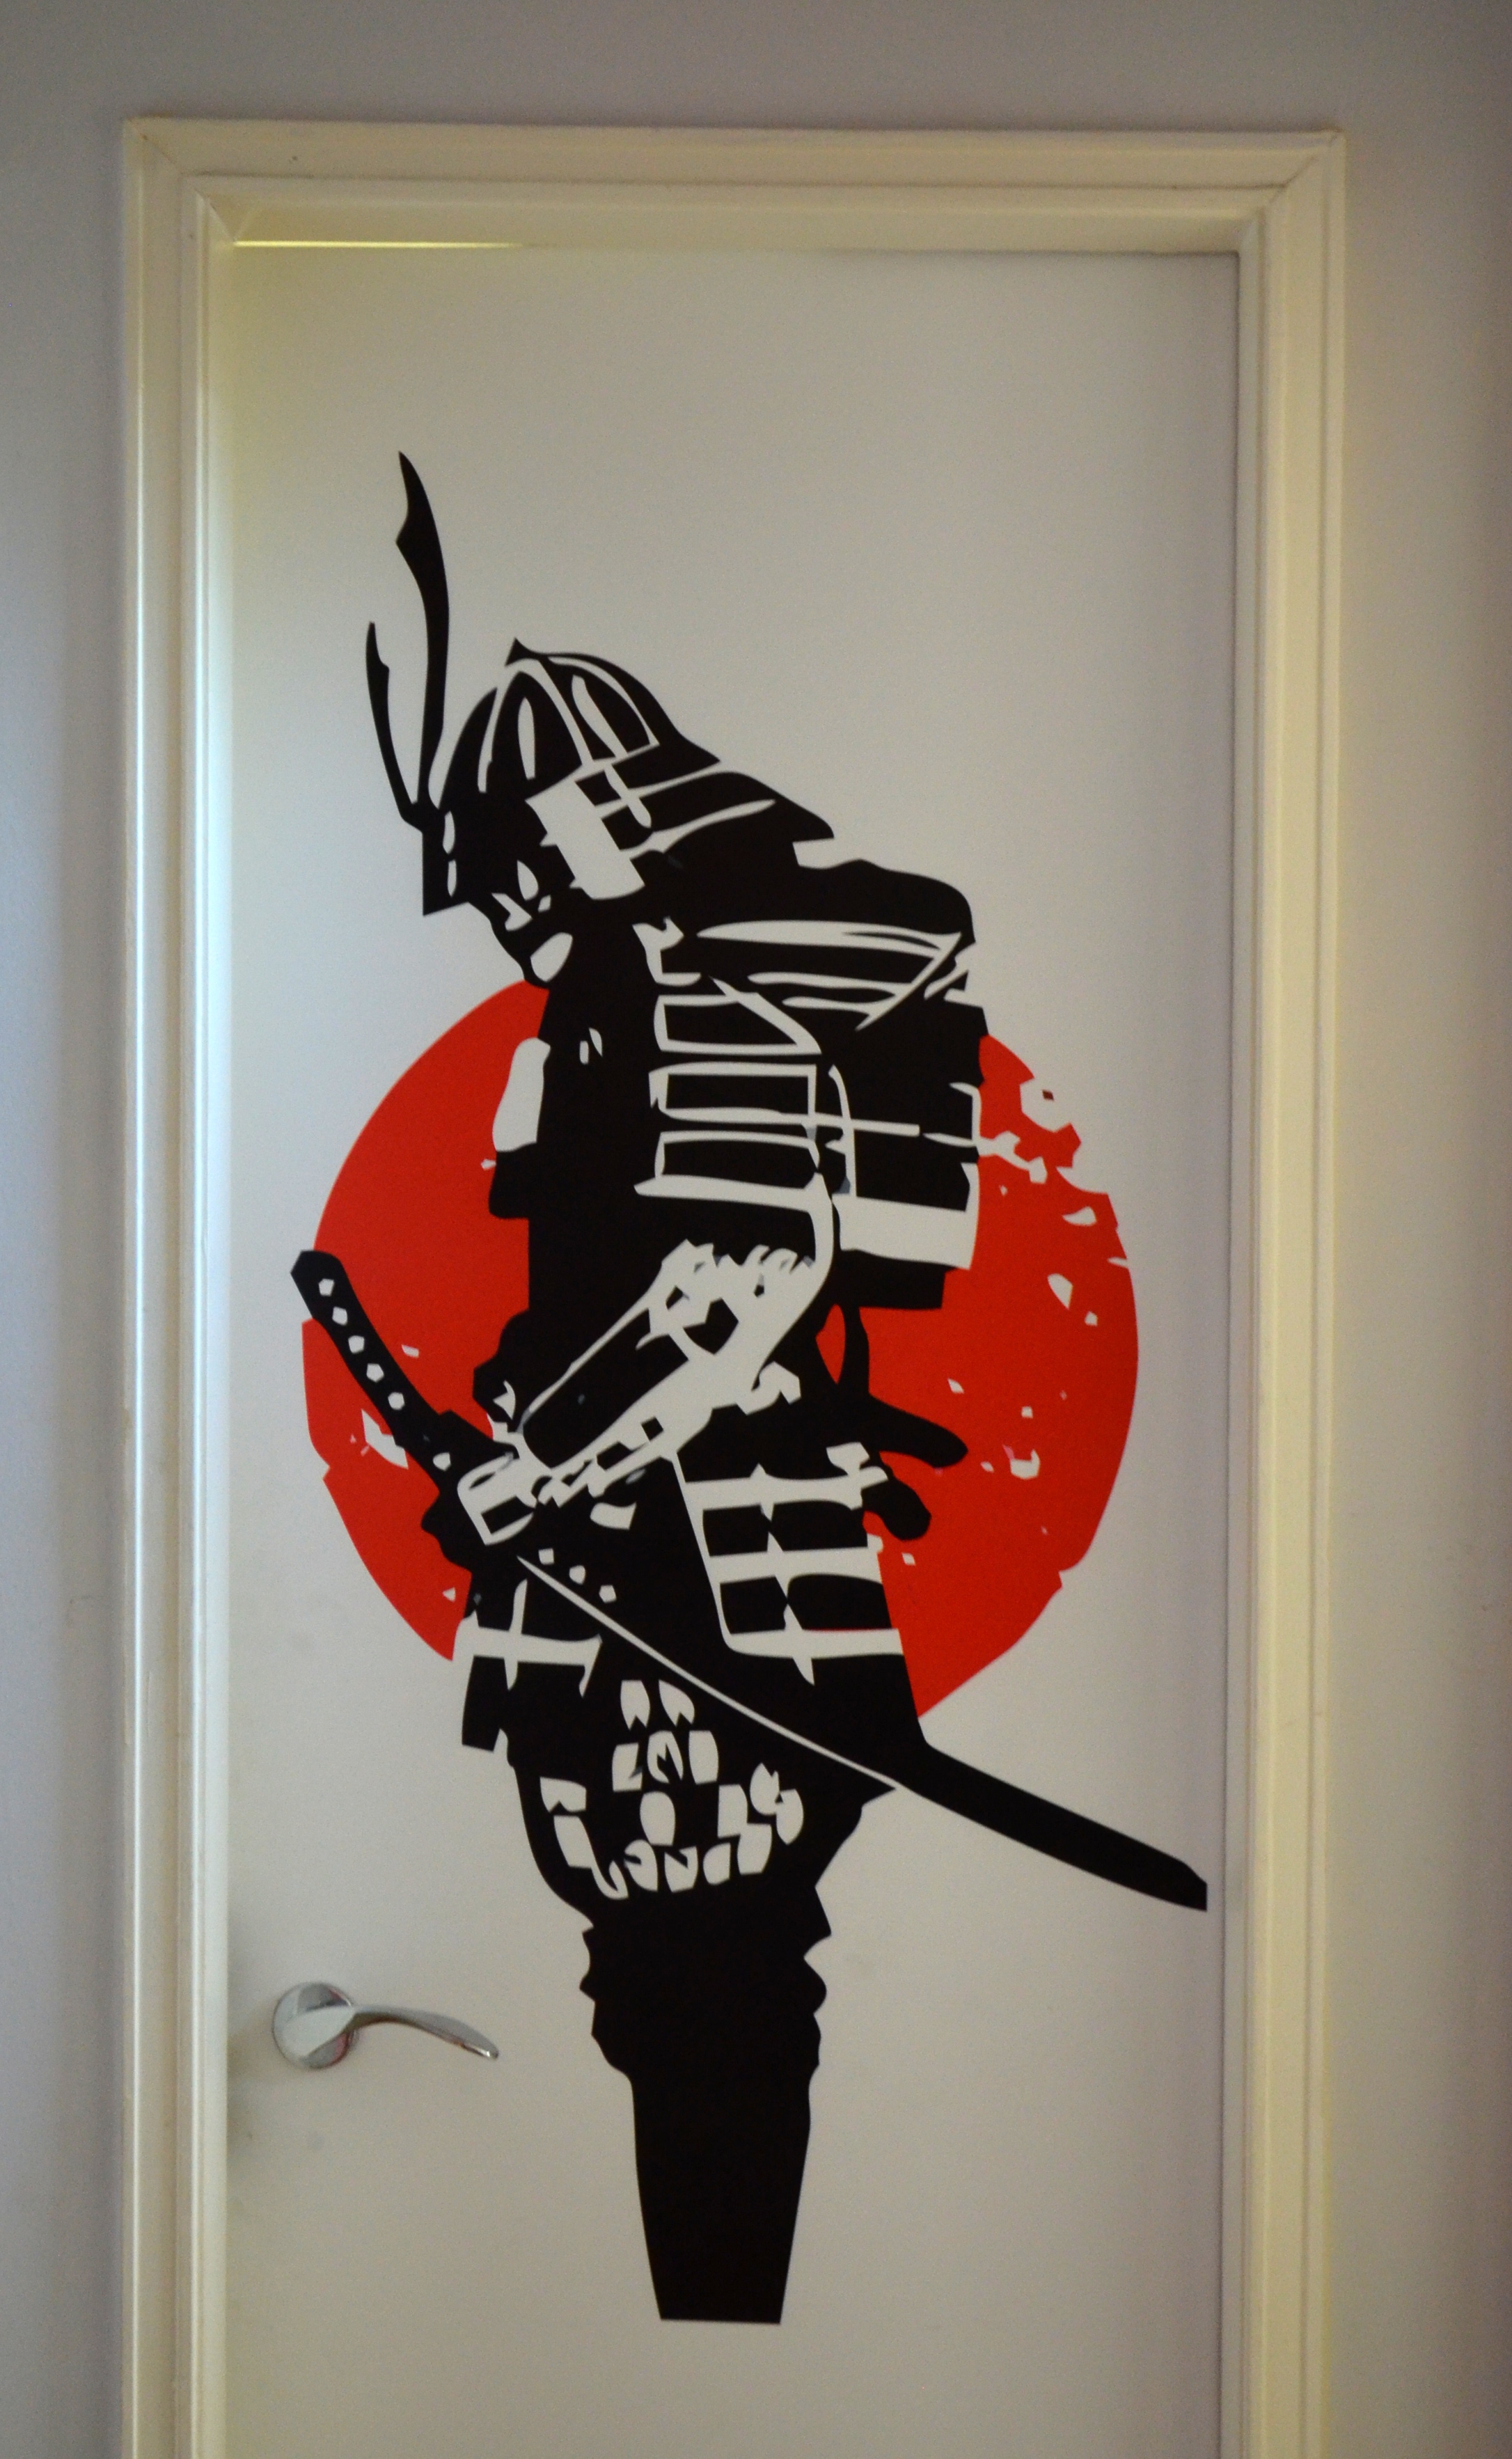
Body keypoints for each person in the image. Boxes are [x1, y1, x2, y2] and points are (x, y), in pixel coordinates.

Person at [298, 458, 1204, 2324]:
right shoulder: (607, 996)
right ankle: (711, 2362)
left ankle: (722, 2368)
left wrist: (540, 1466)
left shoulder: (703, 986)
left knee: (709, 1967)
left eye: (517, 857)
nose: (505, 903)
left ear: (586, 821)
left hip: (713, 1562)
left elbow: (735, 1281)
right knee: (663, 1974)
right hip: (618, 1563)